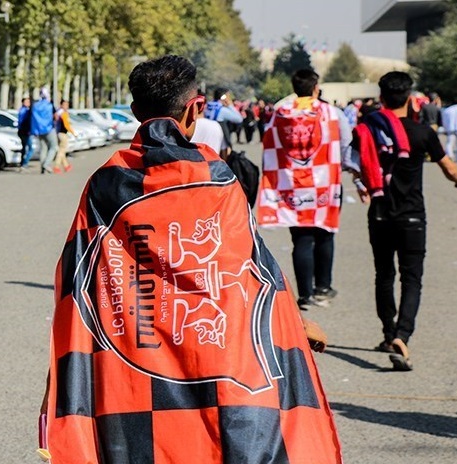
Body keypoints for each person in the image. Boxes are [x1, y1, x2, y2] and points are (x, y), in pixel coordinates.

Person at [40, 55, 340, 463]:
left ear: (133, 112)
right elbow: (251, 273)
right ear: (195, 107)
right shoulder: (218, 178)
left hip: (134, 360)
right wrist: (294, 325)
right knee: (220, 443)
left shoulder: (106, 183)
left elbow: (80, 281)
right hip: (218, 357)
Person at [350, 71, 457, 371]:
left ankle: (389, 333)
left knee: (384, 274)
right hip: (412, 214)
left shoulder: (369, 129)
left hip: (379, 212)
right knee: (411, 278)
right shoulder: (421, 132)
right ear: (410, 98)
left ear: (382, 97)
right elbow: (449, 167)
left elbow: (356, 166)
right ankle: (403, 334)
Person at [258, 69, 350, 311]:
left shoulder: (281, 112)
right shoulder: (331, 112)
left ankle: (305, 294)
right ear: (316, 87)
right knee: (324, 233)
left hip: (292, 183)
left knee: (301, 238)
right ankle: (323, 288)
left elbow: (269, 141)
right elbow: (346, 140)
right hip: (324, 182)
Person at [30, 87, 58, 174]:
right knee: (54, 147)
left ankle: (43, 168)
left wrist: (34, 130)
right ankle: (46, 164)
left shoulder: (35, 105)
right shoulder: (49, 105)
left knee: (43, 148)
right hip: (49, 129)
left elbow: (32, 119)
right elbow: (55, 116)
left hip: (39, 130)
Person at [53, 99, 76, 173]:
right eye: (65, 105)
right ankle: (56, 166)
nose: (67, 106)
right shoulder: (64, 113)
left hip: (58, 133)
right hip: (63, 134)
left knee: (61, 150)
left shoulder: (58, 112)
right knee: (62, 150)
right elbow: (66, 125)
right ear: (61, 105)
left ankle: (66, 166)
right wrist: (73, 133)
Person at [17, 96, 33, 171]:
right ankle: (24, 163)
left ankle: (22, 163)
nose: (28, 103)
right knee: (30, 148)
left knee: (24, 148)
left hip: (23, 131)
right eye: (26, 102)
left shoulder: (22, 110)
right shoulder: (25, 111)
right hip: (25, 131)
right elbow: (23, 122)